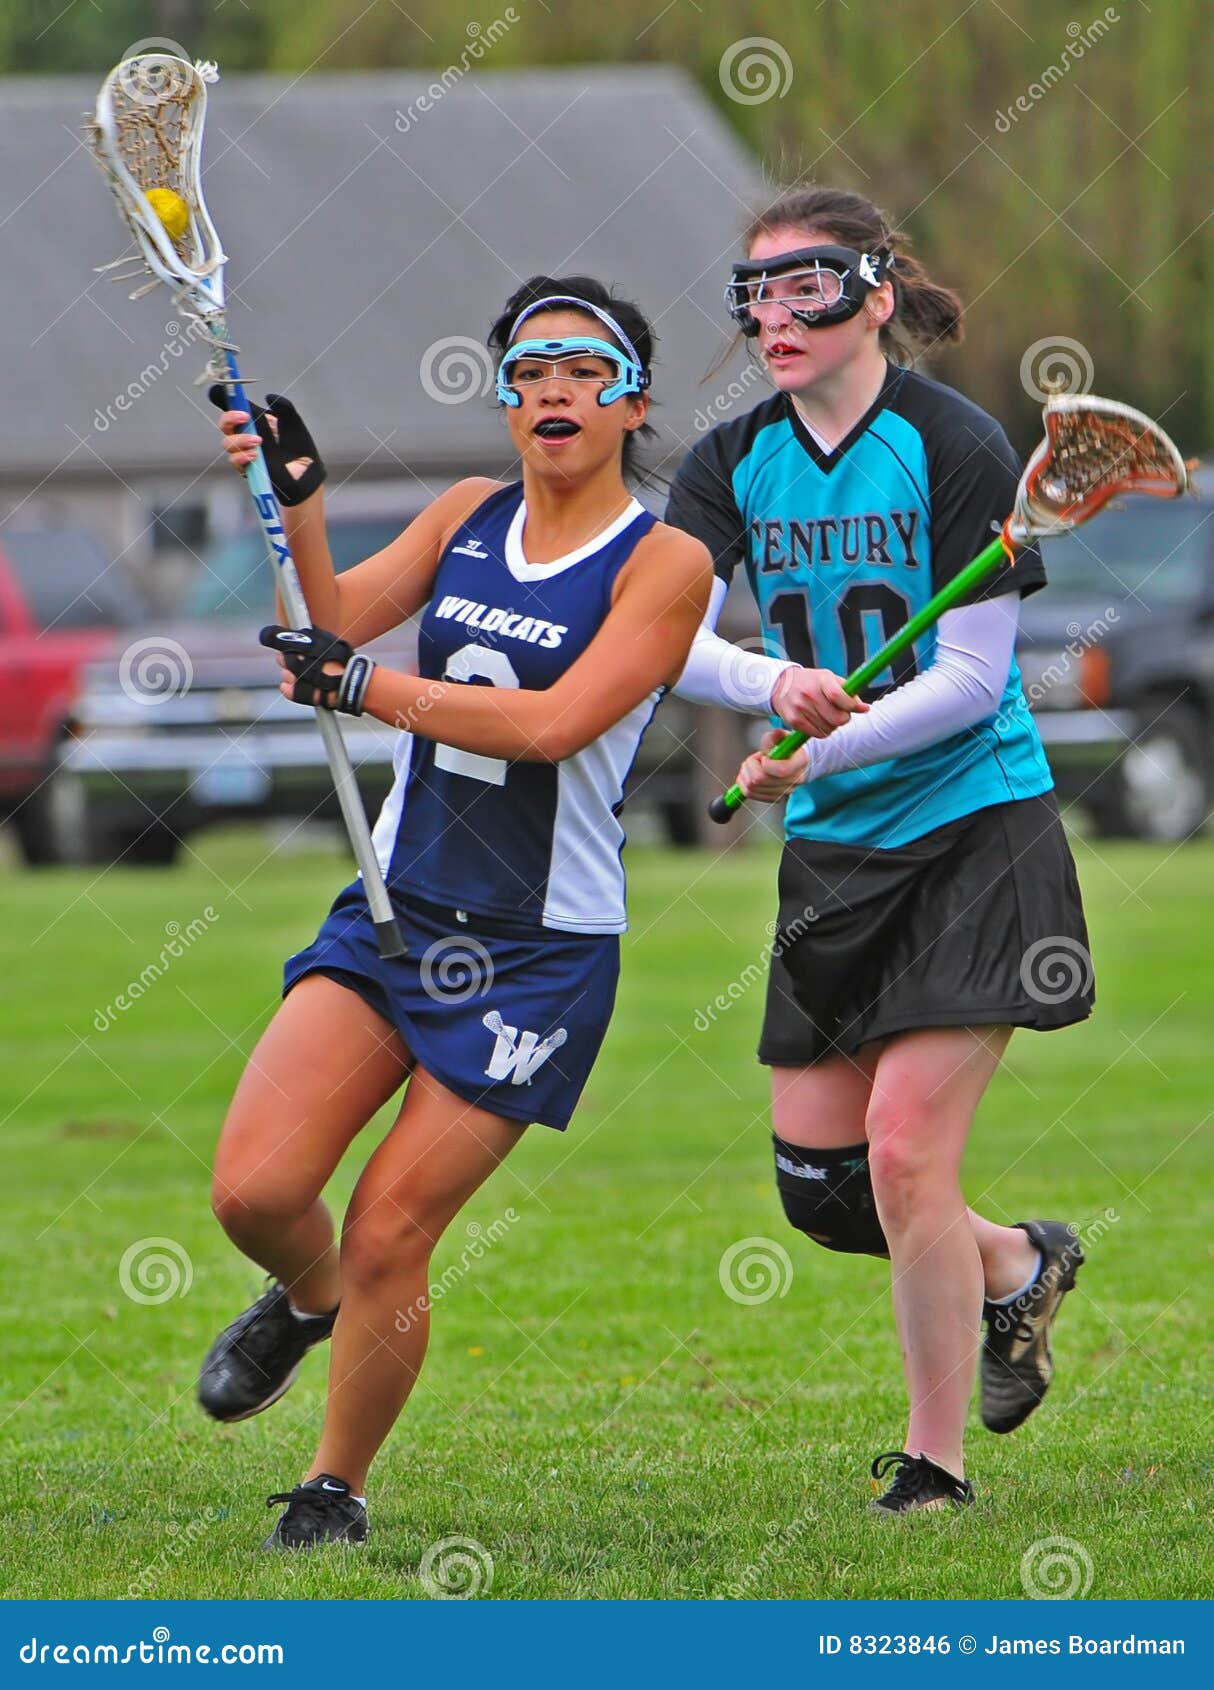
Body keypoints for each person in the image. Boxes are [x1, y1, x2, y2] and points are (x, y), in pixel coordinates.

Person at [197, 275, 711, 1549]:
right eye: (528, 368)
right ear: (502, 399)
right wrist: (297, 501)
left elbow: (550, 724)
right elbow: (325, 626)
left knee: (391, 1225)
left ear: (631, 400)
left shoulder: (666, 561)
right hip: (396, 905)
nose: (554, 389)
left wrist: (366, 687)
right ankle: (305, 1299)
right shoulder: (464, 516)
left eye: (583, 369)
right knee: (252, 1194)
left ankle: (333, 1483)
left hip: (536, 953)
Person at [667, 187, 1091, 1514]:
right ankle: (1017, 1269)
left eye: (805, 289)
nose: (773, 317)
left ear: (876, 296)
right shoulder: (731, 458)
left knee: (906, 1151)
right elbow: (660, 625)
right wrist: (766, 680)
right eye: (754, 293)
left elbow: (967, 680)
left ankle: (933, 1460)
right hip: (834, 859)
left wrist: (816, 747)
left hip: (972, 831)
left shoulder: (950, 441)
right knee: (827, 1189)